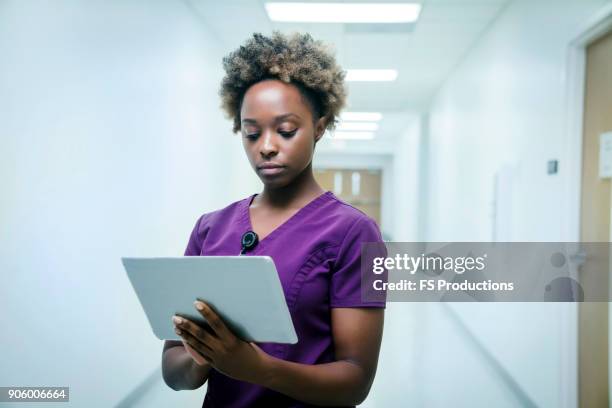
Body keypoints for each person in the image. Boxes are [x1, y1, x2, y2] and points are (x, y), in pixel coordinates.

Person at [161, 31, 386, 408]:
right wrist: (201, 356)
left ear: (319, 126)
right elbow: (172, 370)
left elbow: (356, 380)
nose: (266, 146)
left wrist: (258, 369)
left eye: (285, 130)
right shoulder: (209, 229)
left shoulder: (359, 234)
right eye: (251, 133)